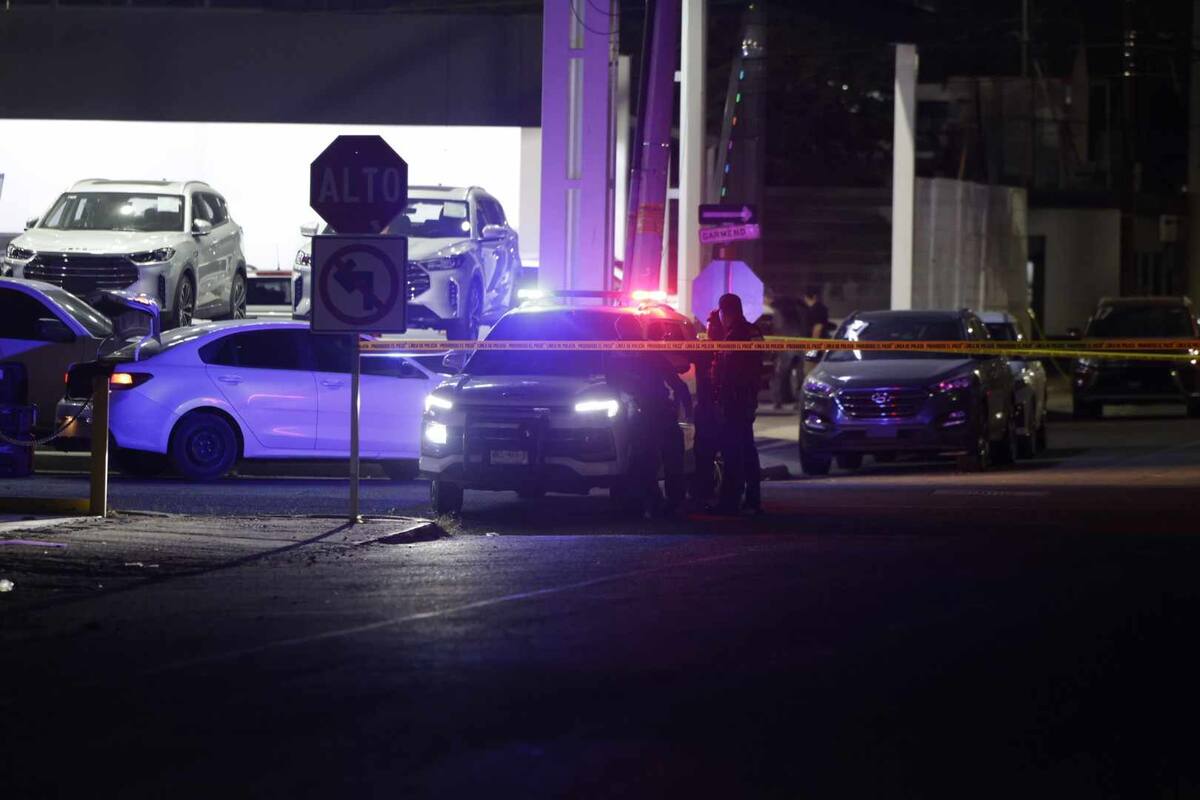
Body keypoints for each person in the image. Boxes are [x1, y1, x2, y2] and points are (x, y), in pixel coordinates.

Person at [610, 315, 692, 517]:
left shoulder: (615, 353)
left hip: (645, 413)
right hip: (656, 412)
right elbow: (677, 384)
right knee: (667, 460)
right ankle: (669, 503)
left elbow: (612, 385)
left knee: (646, 460)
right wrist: (687, 411)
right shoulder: (645, 351)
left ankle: (655, 502)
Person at [709, 293, 764, 515]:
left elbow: (725, 369)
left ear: (724, 312)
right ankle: (753, 498)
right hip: (748, 399)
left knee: (733, 452)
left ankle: (730, 501)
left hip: (733, 401)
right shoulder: (754, 331)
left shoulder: (734, 336)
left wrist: (714, 338)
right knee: (748, 449)